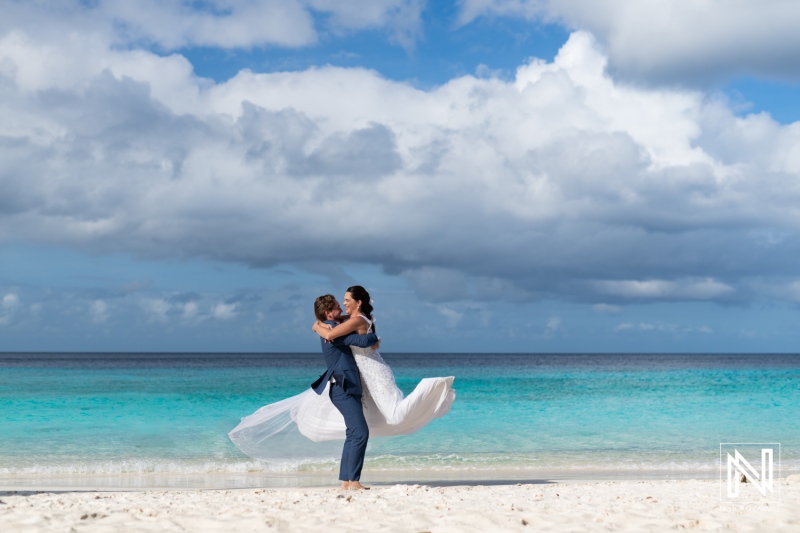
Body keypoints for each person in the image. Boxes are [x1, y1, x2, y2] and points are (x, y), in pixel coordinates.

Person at [312, 286, 455, 434]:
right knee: (378, 419)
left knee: (394, 417)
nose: (344, 304)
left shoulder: (357, 320)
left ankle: (431, 386)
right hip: (367, 374)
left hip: (375, 371)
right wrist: (321, 323)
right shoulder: (351, 319)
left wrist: (316, 326)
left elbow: (330, 336)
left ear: (358, 302)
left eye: (347, 300)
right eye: (343, 301)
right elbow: (333, 322)